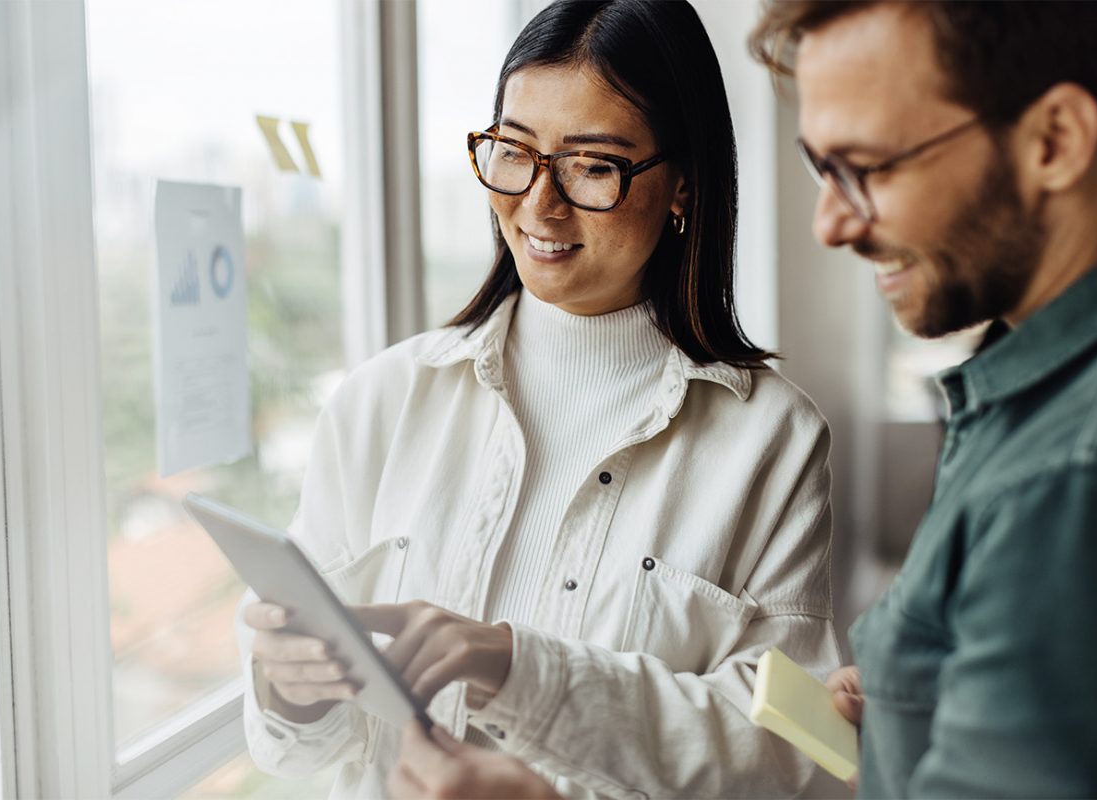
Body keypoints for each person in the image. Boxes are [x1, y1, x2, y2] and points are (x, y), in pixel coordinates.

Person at [390, 1, 1097, 797]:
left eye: (868, 168)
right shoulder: (1012, 409)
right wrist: (914, 726)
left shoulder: (1065, 473)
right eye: (820, 169)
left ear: (1055, 142)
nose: (830, 224)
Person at [238, 0, 842, 798]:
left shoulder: (773, 440)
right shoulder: (381, 400)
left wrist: (520, 672)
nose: (538, 204)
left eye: (592, 166)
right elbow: (302, 751)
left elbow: (791, 752)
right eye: (514, 152)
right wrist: (290, 691)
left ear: (683, 186)